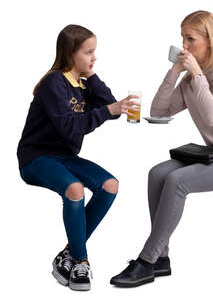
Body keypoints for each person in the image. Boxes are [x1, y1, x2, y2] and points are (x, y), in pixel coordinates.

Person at [110, 10, 213, 288]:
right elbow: (158, 110)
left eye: (191, 39)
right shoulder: (189, 80)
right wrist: (175, 72)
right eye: (182, 38)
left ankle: (146, 261)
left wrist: (196, 74)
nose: (184, 46)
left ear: (209, 40)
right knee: (157, 173)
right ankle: (161, 257)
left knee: (176, 180)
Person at [17, 24, 139, 291]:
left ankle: (68, 254)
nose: (94, 57)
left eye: (94, 52)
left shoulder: (82, 85)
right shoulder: (54, 83)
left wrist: (92, 77)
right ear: (71, 53)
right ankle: (81, 260)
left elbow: (112, 108)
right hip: (35, 158)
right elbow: (71, 126)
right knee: (74, 189)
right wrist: (108, 109)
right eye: (88, 52)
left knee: (110, 185)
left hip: (64, 156)